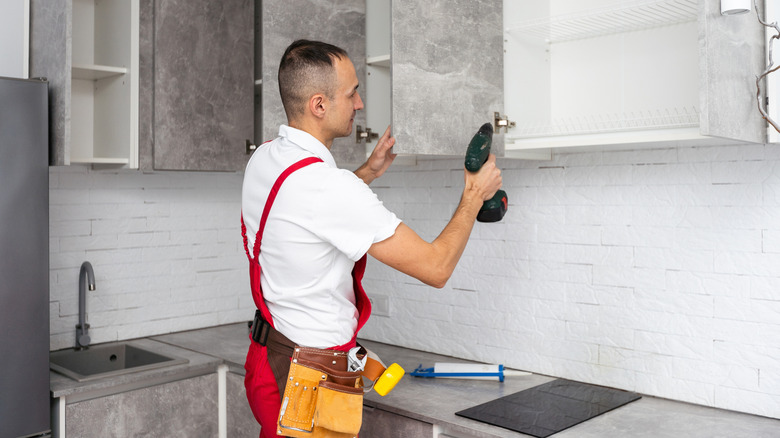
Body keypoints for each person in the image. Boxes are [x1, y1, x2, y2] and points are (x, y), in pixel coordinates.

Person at [240, 39, 502, 437]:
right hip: (306, 383)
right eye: (352, 93)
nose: (359, 104)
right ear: (319, 105)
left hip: (268, 358)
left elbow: (306, 211)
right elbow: (436, 268)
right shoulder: (330, 188)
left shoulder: (266, 157)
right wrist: (474, 194)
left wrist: (368, 172)